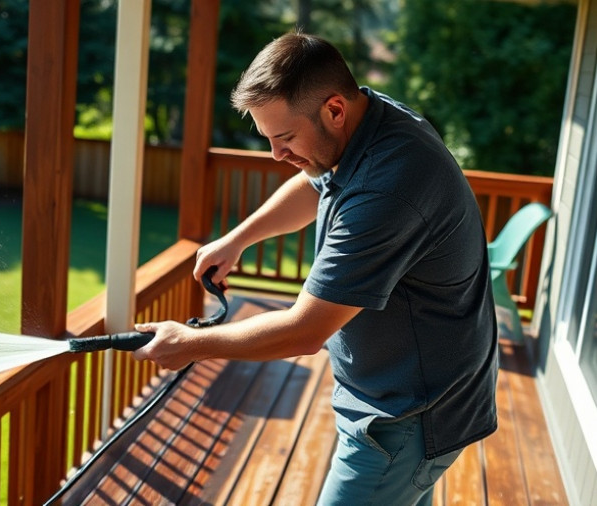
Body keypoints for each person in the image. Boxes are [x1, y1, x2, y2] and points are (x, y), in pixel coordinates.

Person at [132, 31, 498, 505]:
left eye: (284, 137)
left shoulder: (388, 188)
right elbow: (317, 181)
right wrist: (239, 238)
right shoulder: (369, 119)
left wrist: (191, 343)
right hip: (406, 395)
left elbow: (303, 332)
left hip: (409, 414)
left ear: (334, 110)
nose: (276, 155)